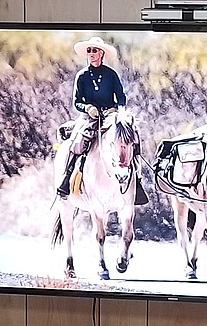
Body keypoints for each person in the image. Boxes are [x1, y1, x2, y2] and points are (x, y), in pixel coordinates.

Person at [57, 36, 147, 204]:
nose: (91, 54)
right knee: (77, 142)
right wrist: (88, 108)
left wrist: (115, 109)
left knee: (131, 136)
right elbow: (77, 101)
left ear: (101, 53)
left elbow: (121, 97)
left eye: (95, 50)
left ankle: (138, 182)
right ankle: (66, 179)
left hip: (111, 115)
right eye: (89, 51)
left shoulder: (111, 75)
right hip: (89, 117)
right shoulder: (82, 76)